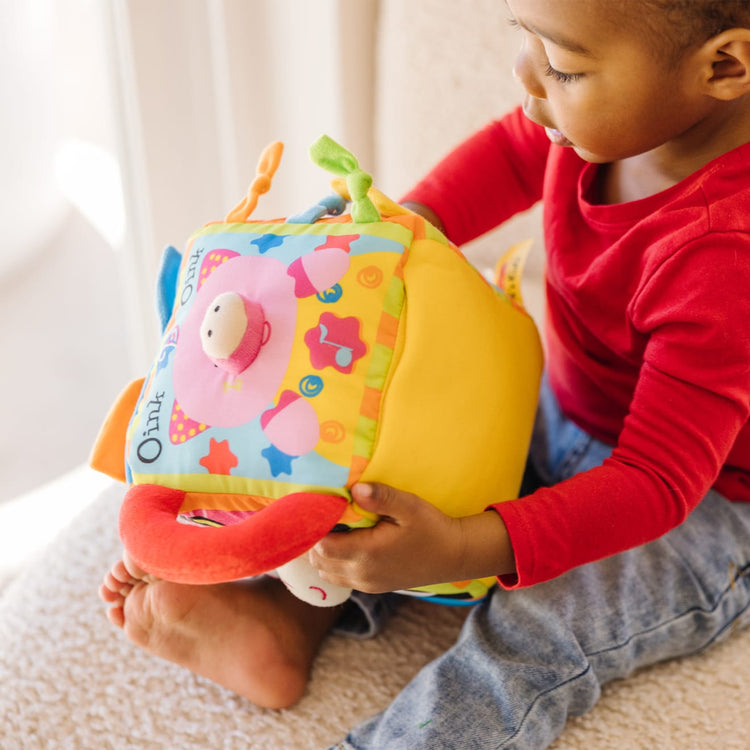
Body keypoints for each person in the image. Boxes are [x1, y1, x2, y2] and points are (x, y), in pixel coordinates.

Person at [100, 0, 750, 746]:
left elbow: (654, 482)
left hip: (708, 506)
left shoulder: (726, 257)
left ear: (724, 67)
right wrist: (395, 236)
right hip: (566, 404)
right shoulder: (589, 123)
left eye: (564, 64)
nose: (526, 75)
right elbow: (510, 154)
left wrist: (468, 546)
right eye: (524, 39)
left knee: (533, 629)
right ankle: (286, 619)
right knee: (385, 471)